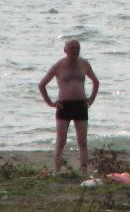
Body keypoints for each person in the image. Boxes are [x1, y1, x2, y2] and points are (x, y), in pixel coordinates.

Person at [38, 39, 99, 173]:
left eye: (77, 48)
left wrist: (91, 99)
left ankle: (84, 171)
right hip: (64, 106)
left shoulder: (84, 63)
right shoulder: (58, 65)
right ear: (65, 50)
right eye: (71, 48)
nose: (75, 51)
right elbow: (42, 85)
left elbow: (95, 81)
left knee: (82, 141)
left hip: (80, 105)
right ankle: (57, 171)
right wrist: (50, 103)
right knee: (61, 140)